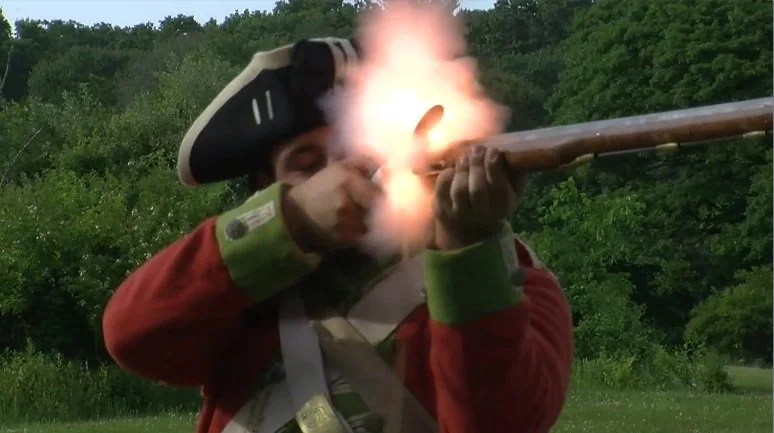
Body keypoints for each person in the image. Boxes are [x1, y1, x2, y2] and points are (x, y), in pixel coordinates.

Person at [102, 38, 574, 433]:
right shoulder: (239, 291)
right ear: (267, 190)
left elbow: (505, 421)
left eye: (354, 151)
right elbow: (132, 335)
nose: (338, 175)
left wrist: (466, 247)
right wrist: (294, 222)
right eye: (308, 166)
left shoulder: (504, 274)